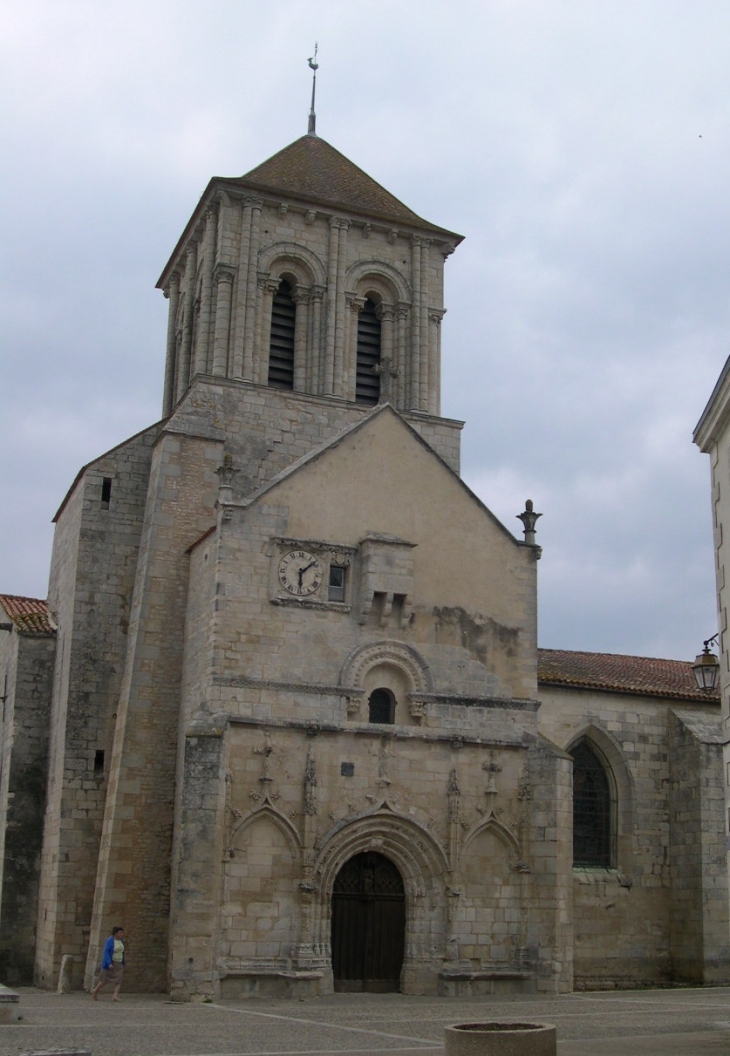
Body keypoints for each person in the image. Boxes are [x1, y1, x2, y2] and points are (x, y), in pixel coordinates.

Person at [91, 926, 125, 1001]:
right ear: (115, 933)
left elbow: (122, 952)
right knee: (104, 980)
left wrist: (122, 962)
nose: (121, 934)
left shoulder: (121, 941)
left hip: (119, 963)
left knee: (119, 980)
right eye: (120, 933)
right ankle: (95, 990)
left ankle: (115, 996)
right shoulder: (110, 941)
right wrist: (109, 963)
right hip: (111, 963)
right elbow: (106, 952)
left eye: (122, 933)